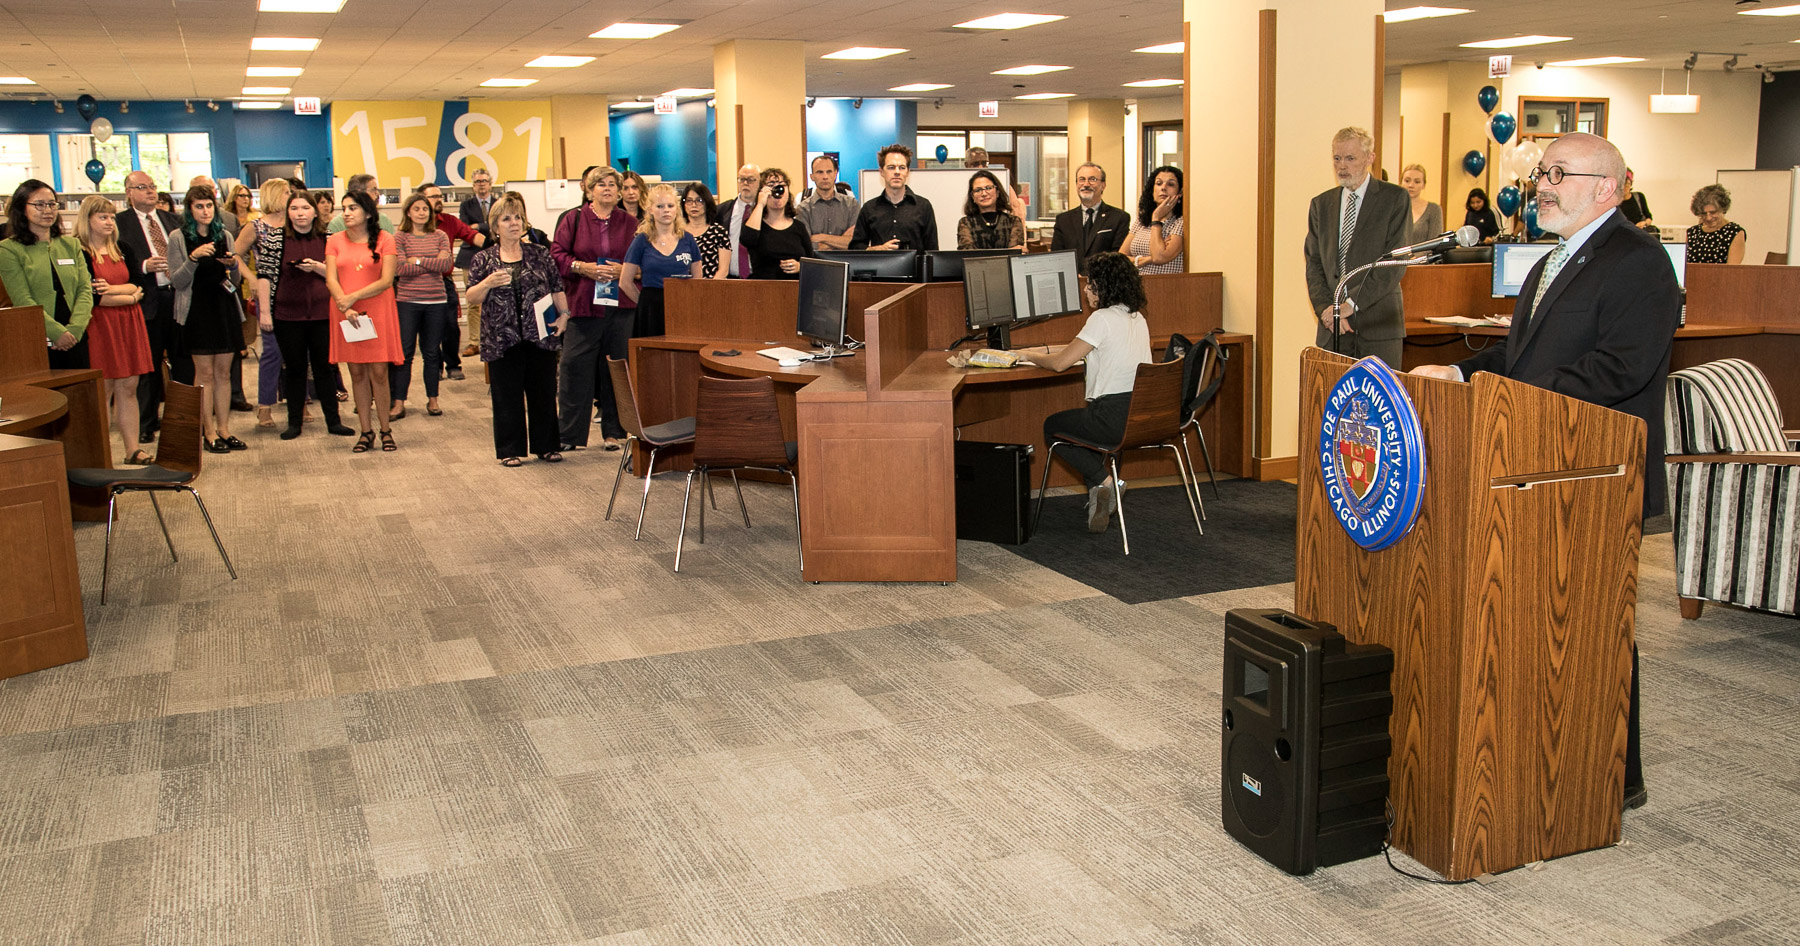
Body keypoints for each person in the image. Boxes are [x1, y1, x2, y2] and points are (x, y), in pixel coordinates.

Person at [1411, 132, 1678, 815]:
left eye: (1560, 173)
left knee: (1593, 628)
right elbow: (1521, 357)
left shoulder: (1640, 261)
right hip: (1532, 464)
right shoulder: (1552, 259)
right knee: (1542, 622)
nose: (1544, 186)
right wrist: (1462, 372)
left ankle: (1615, 776)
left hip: (1596, 472)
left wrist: (1513, 401)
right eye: (1542, 174)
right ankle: (1547, 757)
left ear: (1607, 187)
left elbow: (1623, 369)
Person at [1015, 252, 1151, 533]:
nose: (1086, 289)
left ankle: (1107, 483)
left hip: (1111, 418)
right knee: (1079, 428)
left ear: (1105, 287)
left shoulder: (1101, 318)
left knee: (1053, 427)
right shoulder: (1137, 317)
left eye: (1091, 284)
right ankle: (1099, 500)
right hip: (1139, 416)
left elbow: (1061, 364)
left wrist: (1026, 354)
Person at [468, 194, 569, 467]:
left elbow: (557, 288)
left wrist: (565, 316)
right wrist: (488, 282)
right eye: (507, 219)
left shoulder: (539, 254)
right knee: (506, 396)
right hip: (502, 338)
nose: (514, 223)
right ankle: (509, 449)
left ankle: (546, 446)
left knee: (544, 393)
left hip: (540, 335)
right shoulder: (483, 260)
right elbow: (472, 298)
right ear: (495, 226)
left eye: (518, 218)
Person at [1302, 126, 1410, 365]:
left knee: (1378, 402)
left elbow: (1394, 264)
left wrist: (1350, 305)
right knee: (1332, 401)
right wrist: (1327, 311)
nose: (1342, 166)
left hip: (1378, 329)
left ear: (1369, 158)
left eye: (1350, 158)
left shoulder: (1394, 199)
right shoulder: (1321, 204)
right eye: (1337, 158)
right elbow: (1314, 263)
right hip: (1334, 330)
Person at [551, 166, 637, 451]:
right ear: (590, 190)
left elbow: (642, 260)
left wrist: (625, 270)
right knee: (574, 367)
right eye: (601, 184)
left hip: (620, 306)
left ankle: (614, 432)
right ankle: (569, 435)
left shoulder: (629, 221)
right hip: (584, 305)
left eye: (614, 184)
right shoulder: (573, 219)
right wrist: (582, 267)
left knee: (615, 369)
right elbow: (557, 255)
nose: (608, 189)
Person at [256, 189, 354, 441]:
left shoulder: (329, 238)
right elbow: (264, 277)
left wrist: (317, 268)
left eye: (305, 208)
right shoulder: (275, 238)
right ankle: (294, 423)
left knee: (325, 368)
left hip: (324, 314)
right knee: (295, 369)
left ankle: (334, 421)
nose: (300, 213)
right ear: (288, 212)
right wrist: (265, 312)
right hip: (287, 315)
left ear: (314, 212)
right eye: (294, 208)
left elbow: (340, 274)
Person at [167, 183, 247, 452]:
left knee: (224, 373)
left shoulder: (224, 234)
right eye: (199, 206)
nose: (205, 211)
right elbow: (177, 281)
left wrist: (233, 265)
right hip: (196, 310)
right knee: (205, 374)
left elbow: (235, 280)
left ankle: (224, 429)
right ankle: (208, 432)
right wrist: (193, 258)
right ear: (189, 210)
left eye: (209, 205)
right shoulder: (178, 237)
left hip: (223, 306)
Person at [75, 196, 154, 465]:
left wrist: (125, 294)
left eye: (111, 217)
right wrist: (129, 294)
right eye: (103, 217)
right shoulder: (80, 251)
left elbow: (139, 284)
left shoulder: (123, 248)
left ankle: (133, 449)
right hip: (100, 326)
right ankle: (101, 453)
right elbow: (95, 297)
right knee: (104, 390)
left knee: (129, 387)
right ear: (87, 220)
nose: (110, 222)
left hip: (128, 322)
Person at [325, 190, 403, 453]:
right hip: (344, 311)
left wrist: (352, 298)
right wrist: (343, 303)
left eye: (353, 208)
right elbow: (331, 278)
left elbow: (386, 280)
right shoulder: (334, 240)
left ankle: (386, 430)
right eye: (344, 208)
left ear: (368, 213)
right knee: (356, 372)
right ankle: (365, 431)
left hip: (376, 310)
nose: (346, 212)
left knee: (379, 373)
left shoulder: (385, 239)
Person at [117, 171, 190, 444]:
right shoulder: (119, 223)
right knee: (148, 364)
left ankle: (183, 418)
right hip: (148, 298)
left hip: (178, 296)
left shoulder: (174, 220)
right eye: (142, 187)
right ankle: (147, 423)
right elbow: (115, 261)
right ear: (128, 192)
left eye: (152, 187)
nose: (150, 192)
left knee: (183, 361)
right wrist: (144, 266)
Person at [0, 180, 94, 371]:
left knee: (82, 396)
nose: (48, 210)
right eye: (39, 205)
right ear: (21, 208)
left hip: (76, 335)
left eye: (52, 204)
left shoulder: (71, 245)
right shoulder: (8, 249)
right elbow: (22, 299)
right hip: (38, 337)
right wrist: (56, 332)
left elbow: (85, 290)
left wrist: (74, 330)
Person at [233, 178, 291, 428]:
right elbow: (235, 255)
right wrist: (251, 278)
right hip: (268, 295)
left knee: (299, 353)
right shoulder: (255, 226)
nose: (291, 196)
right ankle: (265, 406)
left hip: (296, 295)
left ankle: (299, 400)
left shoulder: (296, 223)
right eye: (287, 192)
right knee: (272, 352)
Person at [417, 182, 487, 381]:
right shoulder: (414, 224)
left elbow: (471, 235)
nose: (439, 200)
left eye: (440, 196)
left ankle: (453, 365)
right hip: (420, 283)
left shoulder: (449, 221)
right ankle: (434, 366)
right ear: (421, 200)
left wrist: (493, 244)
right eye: (433, 197)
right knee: (427, 328)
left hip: (443, 282)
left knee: (450, 326)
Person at [391, 193, 453, 420]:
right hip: (408, 302)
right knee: (405, 354)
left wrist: (416, 260)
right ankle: (398, 403)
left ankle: (433, 400)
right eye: (416, 209)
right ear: (408, 212)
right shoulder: (399, 237)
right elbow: (400, 269)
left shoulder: (440, 235)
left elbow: (446, 265)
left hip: (436, 301)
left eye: (425, 209)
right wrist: (430, 262)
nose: (421, 213)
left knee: (431, 353)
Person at [622, 184, 702, 337]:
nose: (666, 210)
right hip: (651, 309)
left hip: (683, 305)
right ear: (651, 210)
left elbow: (698, 280)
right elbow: (625, 282)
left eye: (670, 205)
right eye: (660, 206)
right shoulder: (641, 240)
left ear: (676, 209)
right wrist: (644, 304)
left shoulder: (688, 239)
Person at [851, 144, 938, 251]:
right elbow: (855, 247)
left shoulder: (923, 206)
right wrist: (877, 249)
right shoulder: (869, 208)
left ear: (908, 172)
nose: (897, 172)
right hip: (880, 266)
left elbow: (932, 251)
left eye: (902, 168)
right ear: (882, 172)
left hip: (914, 267)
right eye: (891, 167)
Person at [1049, 163, 1130, 275]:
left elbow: (1118, 258)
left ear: (1103, 185)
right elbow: (1056, 258)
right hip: (1073, 282)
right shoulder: (1063, 220)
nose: (1086, 184)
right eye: (1081, 179)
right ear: (1076, 184)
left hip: (1105, 285)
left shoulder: (1119, 217)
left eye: (1093, 179)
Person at [740, 168, 813, 281]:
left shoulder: (799, 227)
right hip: (764, 288)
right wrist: (760, 204)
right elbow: (747, 239)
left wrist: (800, 266)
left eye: (781, 185)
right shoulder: (755, 224)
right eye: (771, 185)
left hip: (794, 288)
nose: (777, 190)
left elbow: (812, 261)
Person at [1119, 165, 1185, 274]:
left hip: (1166, 285)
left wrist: (1156, 219)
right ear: (1152, 190)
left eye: (1171, 184)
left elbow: (1159, 258)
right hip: (1136, 285)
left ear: (1180, 192)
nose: (1163, 188)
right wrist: (1146, 259)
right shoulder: (1142, 220)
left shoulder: (1181, 222)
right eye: (1159, 183)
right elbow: (1120, 258)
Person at [799, 154, 858, 252]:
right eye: (820, 172)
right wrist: (841, 241)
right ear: (812, 176)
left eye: (829, 172)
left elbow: (855, 242)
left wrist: (821, 237)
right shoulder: (803, 209)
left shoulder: (852, 205)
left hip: (847, 264)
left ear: (835, 174)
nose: (825, 176)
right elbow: (807, 246)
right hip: (816, 265)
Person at [956, 169, 1026, 252]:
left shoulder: (1013, 221)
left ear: (997, 192)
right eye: (978, 190)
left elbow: (1014, 255)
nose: (984, 194)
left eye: (988, 188)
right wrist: (1005, 252)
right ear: (973, 197)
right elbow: (969, 255)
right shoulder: (965, 223)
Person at [1685, 184, 1746, 265]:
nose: (1708, 218)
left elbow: (1732, 271)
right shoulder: (1692, 232)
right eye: (1703, 213)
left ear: (1723, 209)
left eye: (1713, 212)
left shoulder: (1734, 233)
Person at [680, 182, 731, 279]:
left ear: (707, 203)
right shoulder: (677, 233)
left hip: (712, 287)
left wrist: (708, 290)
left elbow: (723, 270)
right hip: (683, 288)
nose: (693, 205)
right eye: (689, 201)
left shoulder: (719, 232)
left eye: (699, 200)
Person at [719, 164, 761, 277]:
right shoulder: (722, 210)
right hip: (730, 277)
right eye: (742, 179)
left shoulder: (765, 211)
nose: (745, 183)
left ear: (759, 183)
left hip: (758, 278)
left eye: (751, 180)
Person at [1399, 163, 1443, 247]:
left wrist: (1414, 258)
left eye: (1417, 182)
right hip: (1396, 259)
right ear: (1401, 182)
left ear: (1423, 185)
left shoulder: (1434, 209)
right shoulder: (1394, 209)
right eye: (1407, 181)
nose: (1411, 185)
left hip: (1423, 259)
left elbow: (1435, 243)